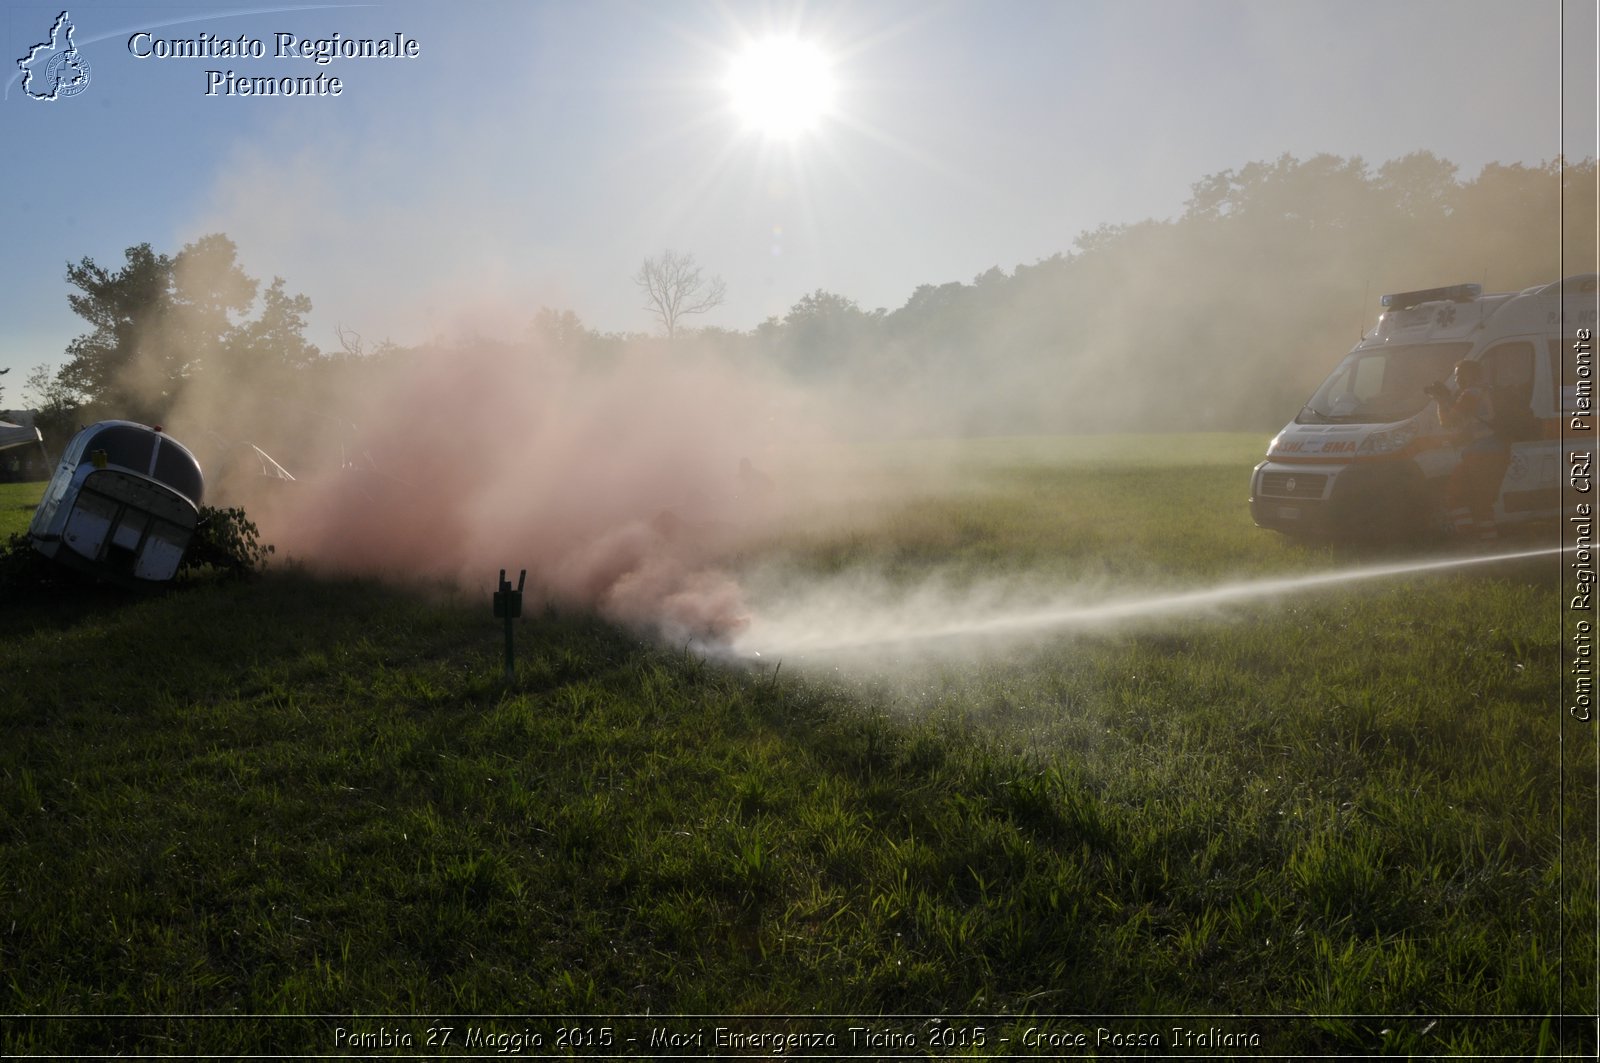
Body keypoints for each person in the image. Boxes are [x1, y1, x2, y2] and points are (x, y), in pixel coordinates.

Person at [1430, 361, 1509, 543]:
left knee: (1457, 495)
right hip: (1495, 451)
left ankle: (1471, 541)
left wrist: (1441, 401)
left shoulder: (1471, 394)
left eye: (1458, 375)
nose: (1457, 380)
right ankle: (1486, 543)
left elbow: (1448, 422)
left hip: (1482, 454)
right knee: (1480, 501)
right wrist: (1449, 399)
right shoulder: (1487, 390)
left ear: (1469, 375)